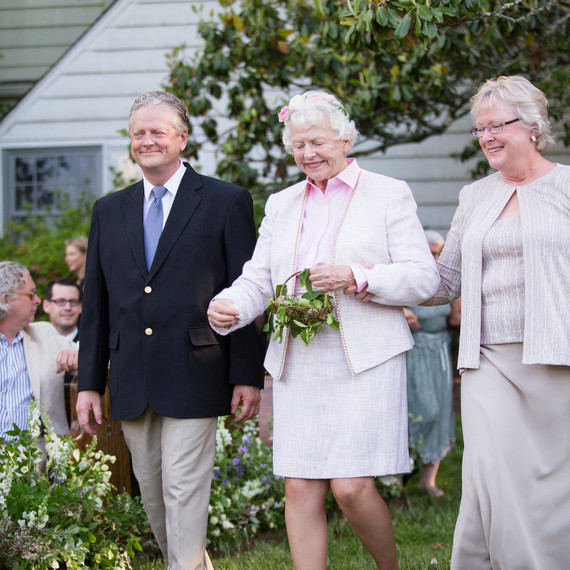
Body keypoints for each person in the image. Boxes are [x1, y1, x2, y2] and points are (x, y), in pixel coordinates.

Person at [207, 91, 440, 570]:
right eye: (297, 145)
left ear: (345, 139)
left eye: (317, 142)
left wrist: (359, 275)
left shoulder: (387, 193)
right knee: (300, 483)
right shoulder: (282, 203)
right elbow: (258, 278)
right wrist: (229, 305)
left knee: (352, 487)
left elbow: (424, 277)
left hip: (366, 358)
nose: (307, 153)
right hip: (300, 357)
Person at [76, 91, 265, 570]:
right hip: (133, 379)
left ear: (182, 137)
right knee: (155, 494)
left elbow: (248, 292)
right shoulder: (108, 210)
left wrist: (247, 373)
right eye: (139, 133)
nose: (147, 140)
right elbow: (96, 305)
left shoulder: (225, 201)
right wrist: (90, 383)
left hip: (196, 369)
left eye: (158, 131)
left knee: (183, 486)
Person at [430, 76, 570, 569]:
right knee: (489, 474)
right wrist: (367, 276)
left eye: (497, 126)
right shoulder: (475, 197)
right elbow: (442, 281)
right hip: (487, 358)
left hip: (556, 359)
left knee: (551, 491)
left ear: (532, 126)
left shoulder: (567, 187)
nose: (487, 136)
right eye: (479, 129)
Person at [404, 230, 458, 497]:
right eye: (431, 252)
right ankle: (402, 471)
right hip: (415, 352)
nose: (436, 258)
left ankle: (428, 481)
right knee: (424, 410)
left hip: (440, 350)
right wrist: (402, 312)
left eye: (440, 252)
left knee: (442, 412)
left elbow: (455, 318)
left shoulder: (447, 280)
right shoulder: (410, 276)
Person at [0, 261, 77, 440]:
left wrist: (76, 356)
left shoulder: (44, 333)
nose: (37, 300)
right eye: (30, 294)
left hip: (40, 460)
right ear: (5, 299)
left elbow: (103, 360)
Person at [43, 278, 82, 342]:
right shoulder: (34, 343)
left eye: (73, 302)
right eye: (60, 301)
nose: (68, 308)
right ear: (46, 306)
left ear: (80, 306)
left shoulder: (91, 343)